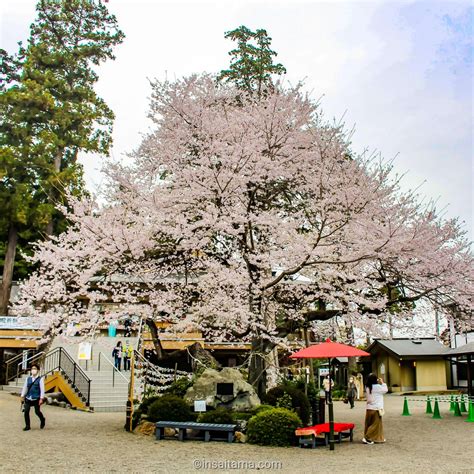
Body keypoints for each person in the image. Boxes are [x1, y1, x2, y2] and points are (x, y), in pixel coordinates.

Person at [363, 373, 388, 444]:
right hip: (376, 408)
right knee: (376, 425)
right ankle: (367, 438)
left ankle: (377, 438)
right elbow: (386, 390)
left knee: (368, 424)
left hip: (369, 408)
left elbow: (369, 399)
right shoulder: (378, 387)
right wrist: (382, 382)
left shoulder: (367, 387)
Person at [20, 363, 46, 431]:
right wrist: (22, 396)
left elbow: (42, 389)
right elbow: (25, 388)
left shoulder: (40, 379)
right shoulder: (28, 379)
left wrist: (41, 398)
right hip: (28, 398)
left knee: (37, 412)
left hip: (36, 398)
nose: (33, 370)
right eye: (32, 369)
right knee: (26, 411)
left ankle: (42, 419)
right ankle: (27, 426)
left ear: (38, 370)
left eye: (35, 369)